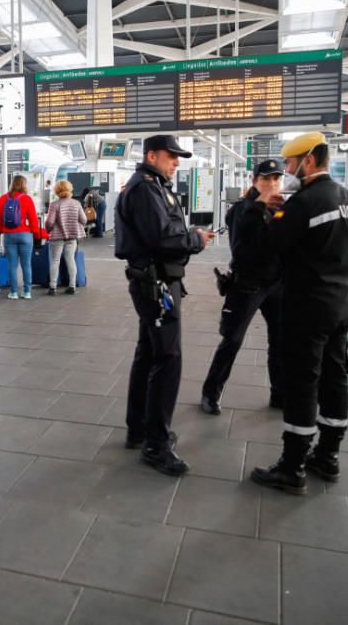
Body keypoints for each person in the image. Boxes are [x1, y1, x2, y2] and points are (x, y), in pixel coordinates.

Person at [240, 132, 348, 495]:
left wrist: (257, 209)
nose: (287, 169)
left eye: (290, 163)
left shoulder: (303, 204)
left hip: (306, 308)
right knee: (335, 376)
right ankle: (327, 456)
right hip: (343, 306)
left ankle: (292, 465)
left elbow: (262, 250)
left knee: (301, 380)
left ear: (309, 161)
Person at [115, 135, 215, 476]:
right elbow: (162, 237)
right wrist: (196, 240)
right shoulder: (145, 188)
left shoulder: (153, 185)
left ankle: (139, 428)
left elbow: (163, 230)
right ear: (152, 155)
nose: (176, 162)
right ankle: (156, 443)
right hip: (155, 284)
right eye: (172, 156)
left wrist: (189, 237)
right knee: (167, 357)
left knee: (148, 353)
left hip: (155, 280)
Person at [201, 159, 285, 415]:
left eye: (276, 179)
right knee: (232, 340)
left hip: (276, 284)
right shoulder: (242, 209)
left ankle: (279, 394)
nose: (271, 184)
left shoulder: (279, 208)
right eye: (266, 179)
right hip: (247, 285)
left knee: (279, 340)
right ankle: (210, 393)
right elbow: (241, 249)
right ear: (254, 181)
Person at [0, 174, 41, 300]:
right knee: (26, 264)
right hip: (25, 236)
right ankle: (27, 291)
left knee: (12, 265)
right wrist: (35, 233)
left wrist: (0, 230)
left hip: (9, 236)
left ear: (12, 184)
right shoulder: (27, 199)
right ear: (24, 185)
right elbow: (33, 219)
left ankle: (14, 292)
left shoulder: (3, 199)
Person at [44, 179, 87, 296]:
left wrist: (48, 230)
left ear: (57, 190)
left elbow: (50, 222)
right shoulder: (76, 204)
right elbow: (84, 220)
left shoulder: (55, 204)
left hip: (57, 237)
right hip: (72, 236)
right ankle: (72, 286)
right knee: (70, 259)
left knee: (55, 261)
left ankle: (52, 287)